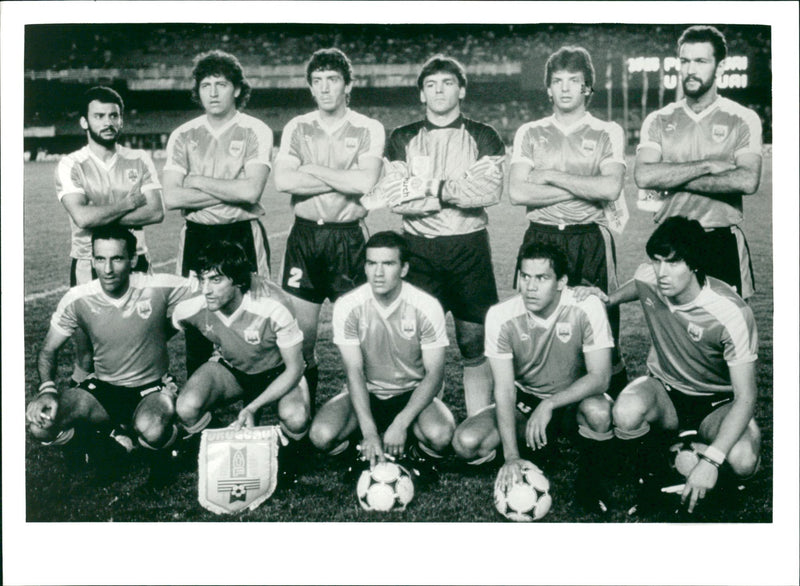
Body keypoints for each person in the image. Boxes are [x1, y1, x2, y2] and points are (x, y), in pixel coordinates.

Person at [583, 216, 760, 515]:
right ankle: (653, 472)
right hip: (666, 392)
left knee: (743, 460)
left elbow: (747, 397)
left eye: (673, 262)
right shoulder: (650, 277)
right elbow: (638, 284)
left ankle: (709, 469)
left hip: (717, 404)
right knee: (625, 413)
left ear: (694, 264)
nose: (662, 272)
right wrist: (609, 299)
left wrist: (712, 460)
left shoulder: (731, 313)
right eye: (657, 260)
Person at [373, 54, 506, 416]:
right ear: (421, 94)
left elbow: (488, 192)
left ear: (461, 89)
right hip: (418, 251)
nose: (439, 91)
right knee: (416, 341)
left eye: (447, 83)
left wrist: (427, 188)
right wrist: (457, 189)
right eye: (431, 85)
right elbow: (397, 198)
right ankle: (428, 421)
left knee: (472, 340)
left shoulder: (483, 134)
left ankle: (479, 421)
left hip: (470, 247)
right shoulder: (402, 137)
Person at [25, 226, 198, 485]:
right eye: (100, 259)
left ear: (133, 260)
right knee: (41, 425)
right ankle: (102, 444)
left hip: (150, 388)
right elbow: (49, 349)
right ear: (92, 259)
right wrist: (47, 390)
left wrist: (175, 325)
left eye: (117, 258)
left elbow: (209, 290)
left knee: (152, 429)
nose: (107, 269)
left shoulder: (158, 286)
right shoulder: (78, 298)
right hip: (104, 388)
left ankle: (173, 444)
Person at [452, 241, 615, 514]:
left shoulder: (586, 306)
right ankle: (535, 450)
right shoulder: (501, 316)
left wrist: (550, 404)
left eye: (541, 278)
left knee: (599, 412)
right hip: (526, 400)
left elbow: (600, 377)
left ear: (561, 281)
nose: (530, 286)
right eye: (525, 276)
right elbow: (504, 390)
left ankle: (590, 482)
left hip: (574, 398)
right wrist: (511, 456)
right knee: (466, 443)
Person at [508, 46, 629, 396]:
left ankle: (608, 407)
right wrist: (583, 190)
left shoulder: (607, 131)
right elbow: (518, 193)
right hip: (540, 237)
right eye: (557, 81)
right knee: (534, 321)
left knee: (598, 320)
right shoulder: (530, 132)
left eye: (573, 81)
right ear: (547, 88)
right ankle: (533, 399)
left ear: (587, 88)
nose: (564, 88)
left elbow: (610, 187)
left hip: (589, 237)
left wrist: (551, 176)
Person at [273, 48, 385, 413]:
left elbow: (366, 182)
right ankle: (301, 419)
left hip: (349, 239)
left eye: (332, 80)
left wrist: (313, 169)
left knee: (359, 338)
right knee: (300, 340)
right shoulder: (297, 126)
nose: (324, 88)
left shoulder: (368, 127)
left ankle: (361, 418)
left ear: (348, 85)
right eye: (317, 81)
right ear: (310, 87)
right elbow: (283, 180)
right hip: (305, 238)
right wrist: (342, 179)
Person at [309, 231, 455, 482]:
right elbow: (353, 371)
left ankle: (411, 453)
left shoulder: (426, 305)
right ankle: (363, 451)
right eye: (371, 263)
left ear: (404, 268)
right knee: (321, 435)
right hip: (367, 392)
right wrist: (368, 431)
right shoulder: (348, 305)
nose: (378, 273)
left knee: (441, 435)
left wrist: (401, 423)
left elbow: (434, 374)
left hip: (412, 392)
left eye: (388, 264)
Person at [163, 49, 273, 376]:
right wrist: (232, 190)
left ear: (237, 89)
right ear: (197, 91)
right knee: (200, 315)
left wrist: (196, 181)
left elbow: (251, 191)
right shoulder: (182, 134)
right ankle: (203, 408)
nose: (213, 92)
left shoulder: (256, 130)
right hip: (198, 235)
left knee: (254, 315)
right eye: (206, 84)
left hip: (242, 235)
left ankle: (254, 400)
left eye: (221, 84)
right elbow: (171, 196)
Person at [635, 25, 763, 300]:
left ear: (720, 66)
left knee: (729, 329)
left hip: (719, 240)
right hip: (670, 246)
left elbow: (746, 181)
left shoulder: (742, 118)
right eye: (685, 61)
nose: (690, 70)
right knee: (674, 335)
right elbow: (644, 177)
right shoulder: (659, 119)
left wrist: (671, 176)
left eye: (701, 61)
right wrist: (707, 165)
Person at [172, 240, 310, 481]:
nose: (206, 289)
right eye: (203, 279)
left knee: (296, 416)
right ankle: (223, 443)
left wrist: (253, 407)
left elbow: (295, 368)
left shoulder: (273, 304)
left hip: (278, 371)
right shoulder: (191, 306)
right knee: (186, 406)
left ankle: (291, 457)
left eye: (216, 280)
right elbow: (157, 331)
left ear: (237, 281)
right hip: (233, 368)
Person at [55, 86, 164, 387]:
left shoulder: (139, 159)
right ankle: (86, 417)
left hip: (136, 261)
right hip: (88, 265)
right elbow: (82, 217)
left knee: (141, 342)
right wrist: (128, 203)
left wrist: (99, 214)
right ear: (84, 121)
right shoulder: (71, 164)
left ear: (122, 120)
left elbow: (156, 212)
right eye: (99, 115)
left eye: (113, 115)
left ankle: (143, 407)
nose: (107, 122)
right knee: (87, 352)